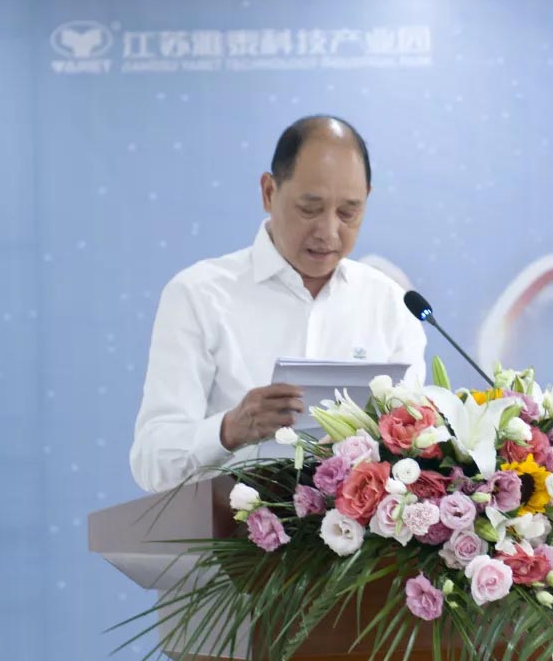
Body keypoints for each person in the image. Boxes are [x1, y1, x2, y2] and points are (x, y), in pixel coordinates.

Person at [130, 115, 426, 493]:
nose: (328, 231)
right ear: (269, 192)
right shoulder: (199, 295)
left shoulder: (391, 304)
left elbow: (413, 452)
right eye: (310, 208)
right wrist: (228, 430)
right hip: (230, 528)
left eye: (348, 212)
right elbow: (152, 463)